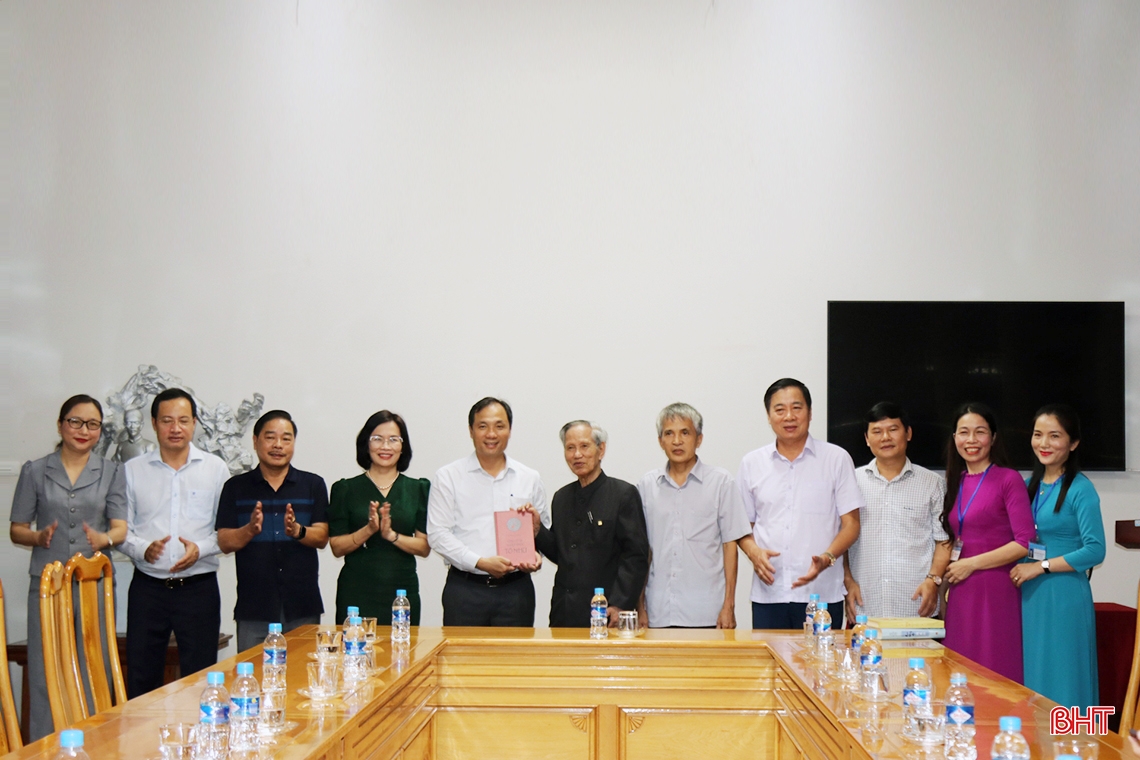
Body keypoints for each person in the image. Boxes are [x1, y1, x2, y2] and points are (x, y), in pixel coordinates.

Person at [8, 395, 128, 740]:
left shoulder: (111, 471)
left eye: (92, 425)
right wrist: (38, 537)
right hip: (47, 585)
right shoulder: (35, 469)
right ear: (61, 425)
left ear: (100, 431)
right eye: (76, 422)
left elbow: (120, 527)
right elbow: (17, 528)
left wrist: (104, 538)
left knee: (95, 664)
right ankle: (45, 746)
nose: (83, 430)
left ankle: (95, 741)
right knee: (47, 669)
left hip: (93, 586)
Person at [119, 388, 229, 699]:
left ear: (194, 423)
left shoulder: (216, 469)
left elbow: (225, 530)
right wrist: (142, 548)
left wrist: (200, 549)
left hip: (199, 588)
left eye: (183, 420)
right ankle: (142, 746)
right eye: (167, 420)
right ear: (153, 424)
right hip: (148, 589)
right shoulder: (132, 470)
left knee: (201, 678)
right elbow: (119, 530)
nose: (175, 428)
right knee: (141, 676)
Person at [736, 378, 863, 630]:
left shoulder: (836, 459)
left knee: (820, 667)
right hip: (769, 593)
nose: (789, 416)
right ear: (769, 416)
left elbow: (851, 524)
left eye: (797, 407)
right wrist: (754, 552)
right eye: (779, 409)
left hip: (822, 595)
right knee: (769, 669)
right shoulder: (751, 463)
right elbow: (742, 527)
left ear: (810, 412)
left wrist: (827, 557)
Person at [1009, 405, 1105, 708]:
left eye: (1055, 436)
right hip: (1029, 596)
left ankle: (1078, 748)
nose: (1044, 444)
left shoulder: (1081, 488)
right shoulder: (1028, 487)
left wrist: (1041, 567)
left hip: (1064, 596)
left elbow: (1095, 550)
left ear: (1073, 443)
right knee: (1034, 677)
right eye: (1038, 435)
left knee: (1066, 677)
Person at [427, 397, 550, 626]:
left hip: (516, 593)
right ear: (471, 431)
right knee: (462, 661)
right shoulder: (449, 476)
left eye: (499, 426)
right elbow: (437, 534)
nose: (491, 434)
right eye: (483, 426)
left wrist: (535, 556)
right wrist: (480, 562)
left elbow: (542, 530)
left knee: (513, 660)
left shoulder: (529, 477)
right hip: (464, 591)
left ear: (510, 430)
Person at [216, 410, 330, 653]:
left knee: (304, 680)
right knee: (253, 680)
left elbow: (322, 537)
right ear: (256, 441)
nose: (278, 445)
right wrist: (248, 531)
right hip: (254, 608)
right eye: (270, 437)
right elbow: (224, 541)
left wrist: (298, 531)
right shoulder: (236, 487)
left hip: (302, 606)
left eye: (286, 439)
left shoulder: (313, 485)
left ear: (293, 444)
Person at [940, 402, 1033, 683]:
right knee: (960, 674)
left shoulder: (1009, 479)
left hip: (996, 590)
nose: (971, 440)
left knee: (996, 671)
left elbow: (1024, 542)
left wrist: (972, 564)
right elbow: (956, 539)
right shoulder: (956, 481)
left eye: (979, 432)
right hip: (961, 591)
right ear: (954, 438)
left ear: (992, 438)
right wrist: (944, 582)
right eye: (963, 432)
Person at [637, 403, 751, 629]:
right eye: (669, 433)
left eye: (685, 433)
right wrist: (640, 606)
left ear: (699, 439)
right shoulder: (646, 486)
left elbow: (731, 546)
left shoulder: (721, 482)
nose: (677, 441)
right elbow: (642, 551)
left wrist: (729, 605)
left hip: (707, 613)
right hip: (658, 611)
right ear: (661, 441)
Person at [529, 421, 649, 627]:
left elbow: (636, 556)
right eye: (570, 448)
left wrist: (620, 604)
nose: (577, 455)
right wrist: (538, 530)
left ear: (601, 449)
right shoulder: (562, 497)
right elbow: (562, 555)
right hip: (564, 611)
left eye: (584, 446)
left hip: (606, 612)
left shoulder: (623, 494)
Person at [845, 402, 950, 620]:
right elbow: (840, 539)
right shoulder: (851, 481)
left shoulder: (933, 483)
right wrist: (847, 582)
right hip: (865, 605)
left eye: (893, 429)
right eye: (877, 431)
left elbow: (944, 541)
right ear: (867, 438)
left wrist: (933, 580)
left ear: (908, 433)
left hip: (917, 607)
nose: (885, 437)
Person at [328, 410, 430, 623]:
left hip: (402, 592)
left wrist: (391, 535)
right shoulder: (345, 488)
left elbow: (423, 547)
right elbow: (337, 547)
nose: (385, 446)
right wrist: (368, 530)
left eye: (393, 440)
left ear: (403, 446)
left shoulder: (418, 488)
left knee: (403, 653)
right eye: (377, 439)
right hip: (356, 591)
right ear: (366, 444)